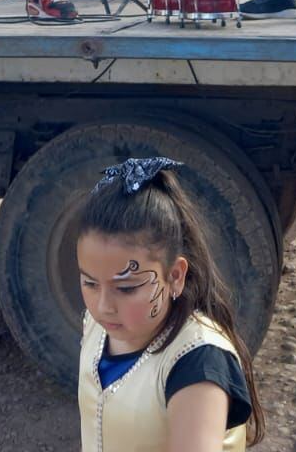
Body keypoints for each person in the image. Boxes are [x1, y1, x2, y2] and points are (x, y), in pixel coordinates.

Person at [76, 157, 264, 451]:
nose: (102, 306)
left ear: (175, 276)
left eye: (126, 288)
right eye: (89, 283)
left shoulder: (197, 363)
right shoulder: (97, 325)